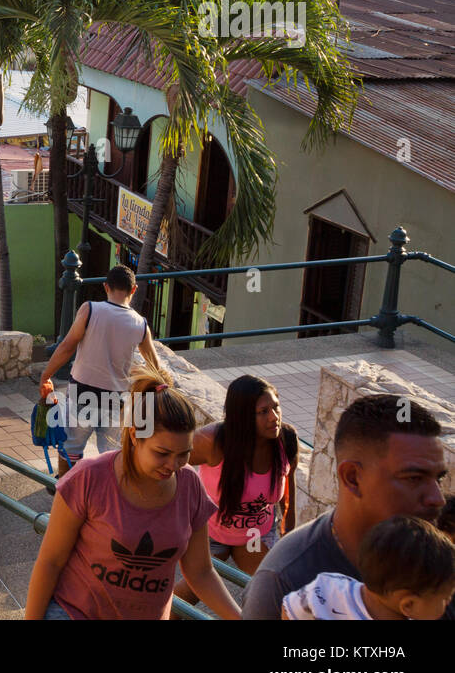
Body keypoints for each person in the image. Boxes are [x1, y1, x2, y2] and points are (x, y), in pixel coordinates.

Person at [24, 364, 242, 620]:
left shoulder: (190, 486)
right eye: (162, 454)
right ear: (135, 436)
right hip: (74, 613)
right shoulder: (88, 478)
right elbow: (50, 562)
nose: (173, 466)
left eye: (184, 454)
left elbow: (200, 571)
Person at [242, 393, 451, 620]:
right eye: (414, 478)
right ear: (353, 477)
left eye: (438, 479)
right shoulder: (285, 581)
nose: (437, 498)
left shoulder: (443, 548)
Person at [174, 375, 299, 604]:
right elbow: (169, 461)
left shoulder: (286, 440)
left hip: (252, 536)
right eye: (263, 412)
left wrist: (288, 535)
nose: (274, 417)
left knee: (273, 593)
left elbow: (288, 490)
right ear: (242, 416)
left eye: (276, 407)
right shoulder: (213, 442)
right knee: (190, 593)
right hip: (211, 533)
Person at [37, 264, 164, 477]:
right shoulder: (141, 325)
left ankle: (65, 491)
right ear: (133, 290)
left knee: (71, 449)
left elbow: (67, 346)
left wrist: (45, 375)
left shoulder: (90, 309)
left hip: (81, 392)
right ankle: (107, 498)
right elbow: (154, 365)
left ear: (106, 287)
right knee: (112, 455)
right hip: (116, 398)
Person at [282, 515, 455, 620]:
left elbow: (288, 610)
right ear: (408, 605)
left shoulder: (329, 586)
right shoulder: (325, 590)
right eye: (445, 599)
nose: (448, 604)